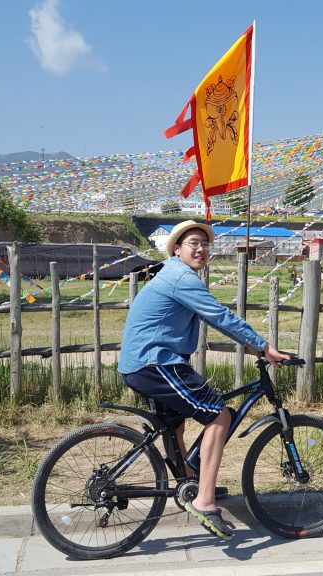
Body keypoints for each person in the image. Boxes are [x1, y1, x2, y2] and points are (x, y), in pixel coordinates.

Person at [119, 220, 289, 540]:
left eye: (205, 244)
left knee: (177, 424)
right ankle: (204, 500)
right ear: (176, 249)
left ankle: (190, 484)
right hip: (156, 364)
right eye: (193, 243)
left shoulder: (173, 274)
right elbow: (219, 315)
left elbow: (218, 321)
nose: (200, 249)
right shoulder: (181, 277)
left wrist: (253, 347)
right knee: (219, 415)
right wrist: (264, 346)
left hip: (144, 363)